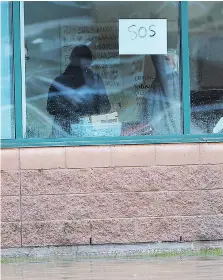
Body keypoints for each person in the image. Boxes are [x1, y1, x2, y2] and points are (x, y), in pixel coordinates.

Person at [47, 45, 111, 137]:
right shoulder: (95, 79)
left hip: (66, 130)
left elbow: (51, 109)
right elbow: (105, 106)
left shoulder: (59, 81)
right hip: (85, 128)